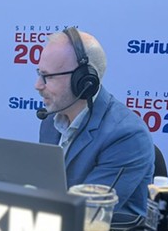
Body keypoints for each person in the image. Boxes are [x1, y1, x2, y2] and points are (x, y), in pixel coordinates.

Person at [34, 28, 154, 216]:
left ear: (84, 80)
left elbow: (91, 213)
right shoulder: (51, 120)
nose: (38, 85)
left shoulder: (127, 135)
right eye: (39, 74)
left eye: (48, 77)